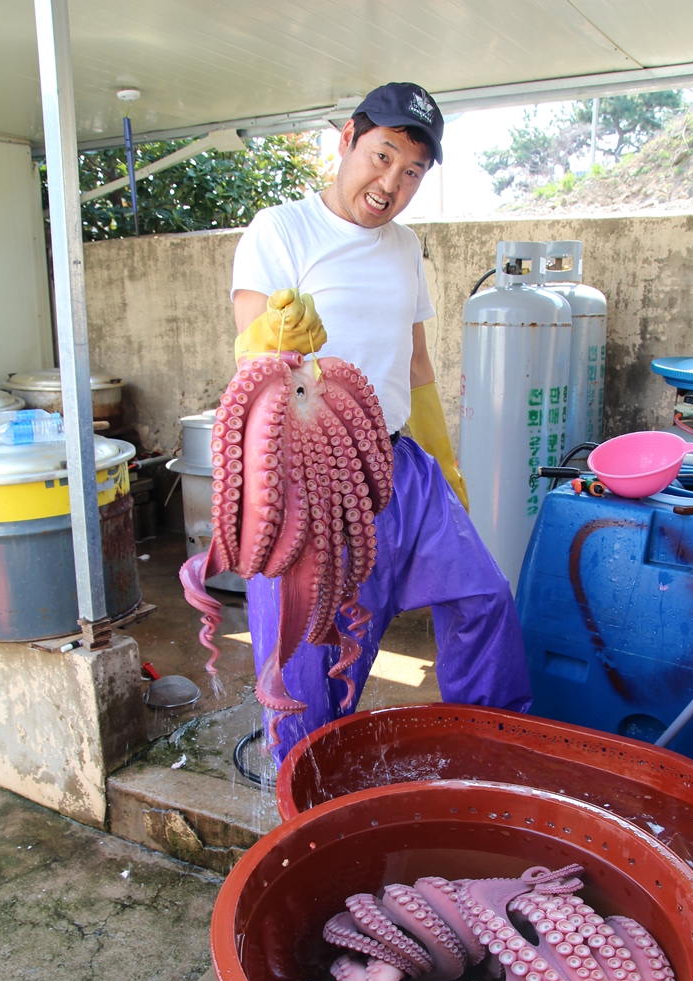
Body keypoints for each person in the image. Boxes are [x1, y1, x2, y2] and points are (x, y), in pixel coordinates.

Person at [230, 82, 531, 762]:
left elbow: (416, 361)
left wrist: (443, 462)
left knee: (484, 597)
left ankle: (491, 755)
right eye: (383, 155)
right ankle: (303, 804)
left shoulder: (405, 247)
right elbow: (251, 349)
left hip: (400, 466)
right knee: (313, 656)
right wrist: (276, 342)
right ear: (347, 141)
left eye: (413, 171)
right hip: (312, 475)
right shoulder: (281, 229)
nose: (391, 181)